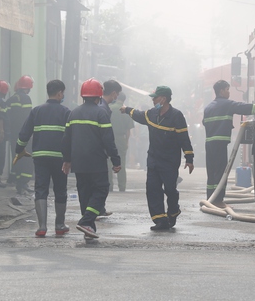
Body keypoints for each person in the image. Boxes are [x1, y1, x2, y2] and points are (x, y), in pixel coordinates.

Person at [121, 85, 194, 231]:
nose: (153, 100)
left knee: (170, 189)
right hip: (153, 159)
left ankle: (173, 212)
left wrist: (189, 158)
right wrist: (127, 110)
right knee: (152, 189)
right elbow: (140, 115)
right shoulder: (152, 114)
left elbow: (183, 138)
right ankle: (160, 220)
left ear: (164, 98)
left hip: (169, 161)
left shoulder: (176, 116)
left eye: (155, 98)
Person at [61, 78, 121, 240]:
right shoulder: (101, 113)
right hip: (96, 161)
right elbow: (108, 140)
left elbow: (66, 139)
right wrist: (116, 160)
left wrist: (66, 160)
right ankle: (86, 221)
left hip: (78, 162)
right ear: (98, 96)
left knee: (85, 193)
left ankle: (89, 228)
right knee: (101, 189)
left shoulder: (73, 113)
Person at [15, 80, 71, 237]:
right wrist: (69, 157)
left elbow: (24, 133)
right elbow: (70, 137)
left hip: (40, 157)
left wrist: (19, 149)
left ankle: (42, 227)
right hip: (59, 158)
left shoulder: (37, 111)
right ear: (59, 93)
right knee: (60, 189)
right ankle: (59, 225)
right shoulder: (66, 112)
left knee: (41, 189)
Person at [203, 80, 255, 207]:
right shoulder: (226, 104)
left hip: (209, 143)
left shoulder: (208, 107)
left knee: (211, 172)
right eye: (227, 89)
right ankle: (218, 200)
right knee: (221, 172)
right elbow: (243, 107)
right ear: (221, 91)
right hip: (220, 143)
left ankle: (210, 198)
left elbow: (205, 123)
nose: (229, 92)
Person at [7, 75, 34, 194]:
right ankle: (23, 182)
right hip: (24, 133)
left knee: (16, 156)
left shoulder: (12, 98)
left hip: (13, 134)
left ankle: (18, 181)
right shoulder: (26, 99)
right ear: (27, 88)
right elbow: (28, 118)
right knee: (27, 157)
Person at [109, 92, 134, 192]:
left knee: (108, 162)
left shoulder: (109, 107)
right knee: (122, 162)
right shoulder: (125, 110)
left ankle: (109, 185)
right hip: (121, 139)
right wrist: (126, 141)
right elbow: (128, 130)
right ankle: (122, 186)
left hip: (109, 138)